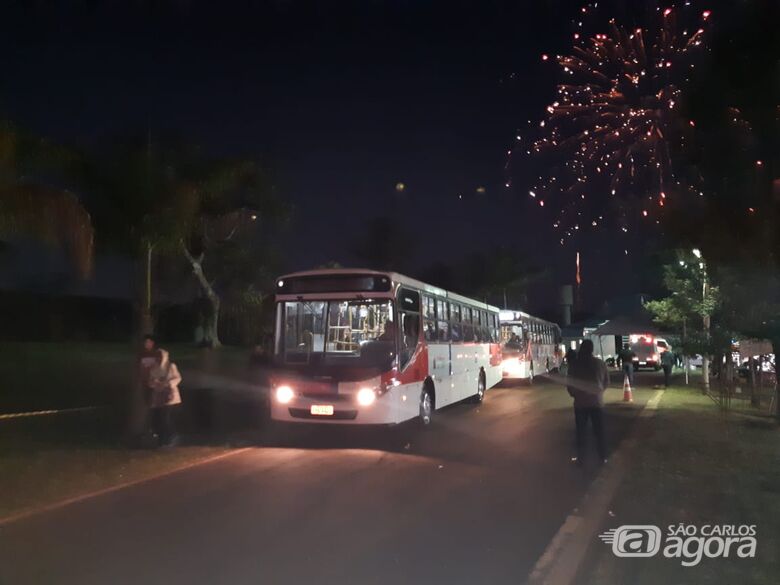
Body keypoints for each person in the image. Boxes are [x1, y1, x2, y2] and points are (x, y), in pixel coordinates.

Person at [568, 339, 609, 464]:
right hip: (596, 402)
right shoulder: (600, 363)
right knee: (599, 431)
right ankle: (602, 457)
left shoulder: (575, 364)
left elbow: (570, 383)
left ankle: (581, 459)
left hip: (580, 403)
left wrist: (574, 394)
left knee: (581, 432)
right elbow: (606, 382)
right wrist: (599, 392)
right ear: (592, 349)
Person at [146, 348, 182, 446]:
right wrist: (155, 383)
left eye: (161, 356)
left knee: (166, 418)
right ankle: (161, 439)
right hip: (158, 397)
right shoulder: (153, 368)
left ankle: (172, 436)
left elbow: (178, 378)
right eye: (158, 356)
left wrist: (168, 384)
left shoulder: (171, 366)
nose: (160, 358)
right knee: (158, 419)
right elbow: (150, 382)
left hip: (170, 396)